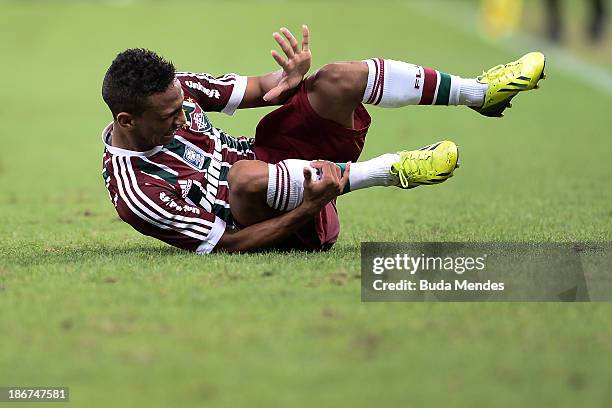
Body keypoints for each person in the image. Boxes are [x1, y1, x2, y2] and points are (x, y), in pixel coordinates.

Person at [101, 26, 545, 253]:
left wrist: (288, 78)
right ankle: (386, 172)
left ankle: (479, 93)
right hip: (285, 221)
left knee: (335, 79)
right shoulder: (135, 191)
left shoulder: (175, 88)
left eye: (182, 105)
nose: (182, 116)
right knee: (242, 178)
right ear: (127, 119)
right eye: (169, 115)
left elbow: (260, 88)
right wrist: (311, 206)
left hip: (279, 161)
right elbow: (227, 244)